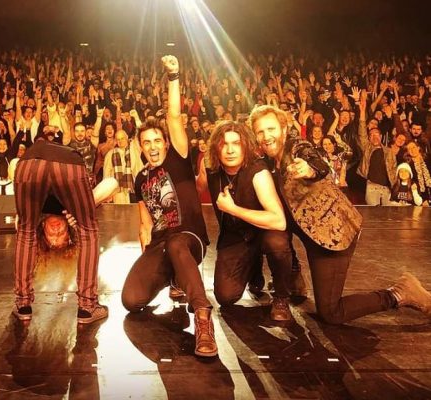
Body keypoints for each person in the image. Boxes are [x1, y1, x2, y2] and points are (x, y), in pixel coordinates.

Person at [250, 104, 431, 324]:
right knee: (273, 230)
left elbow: (317, 163)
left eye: (271, 129)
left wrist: (309, 169)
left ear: (284, 128)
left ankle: (399, 293)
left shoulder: (297, 147)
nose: (266, 136)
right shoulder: (269, 163)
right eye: (260, 131)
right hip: (308, 233)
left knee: (331, 312)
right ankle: (294, 273)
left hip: (333, 234)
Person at [121, 55, 217, 358]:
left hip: (189, 239)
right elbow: (145, 225)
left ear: (165, 142)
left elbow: (174, 117)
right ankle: (174, 277)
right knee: (131, 300)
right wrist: (147, 260)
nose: (152, 146)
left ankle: (202, 316)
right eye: (146, 142)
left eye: (156, 140)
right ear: (141, 147)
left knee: (176, 244)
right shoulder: (140, 178)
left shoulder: (178, 158)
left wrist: (173, 76)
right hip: (161, 244)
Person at [196, 120, 292, 321]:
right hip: (235, 236)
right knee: (225, 296)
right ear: (216, 148)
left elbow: (279, 221)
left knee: (277, 243)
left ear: (245, 145)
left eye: (236, 144)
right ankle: (253, 268)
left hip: (264, 231)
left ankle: (281, 297)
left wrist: (233, 209)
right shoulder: (210, 167)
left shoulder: (258, 172)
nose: (230, 150)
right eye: (224, 144)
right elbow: (196, 188)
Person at [13, 137, 113, 324]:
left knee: (25, 231)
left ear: (43, 232)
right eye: (61, 235)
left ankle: (22, 303)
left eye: (52, 236)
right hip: (67, 164)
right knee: (88, 230)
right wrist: (84, 210)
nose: (56, 231)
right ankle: (88, 306)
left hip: (30, 163)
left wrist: (20, 212)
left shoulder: (36, 218)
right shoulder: (71, 215)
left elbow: (13, 165)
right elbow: (113, 183)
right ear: (69, 231)